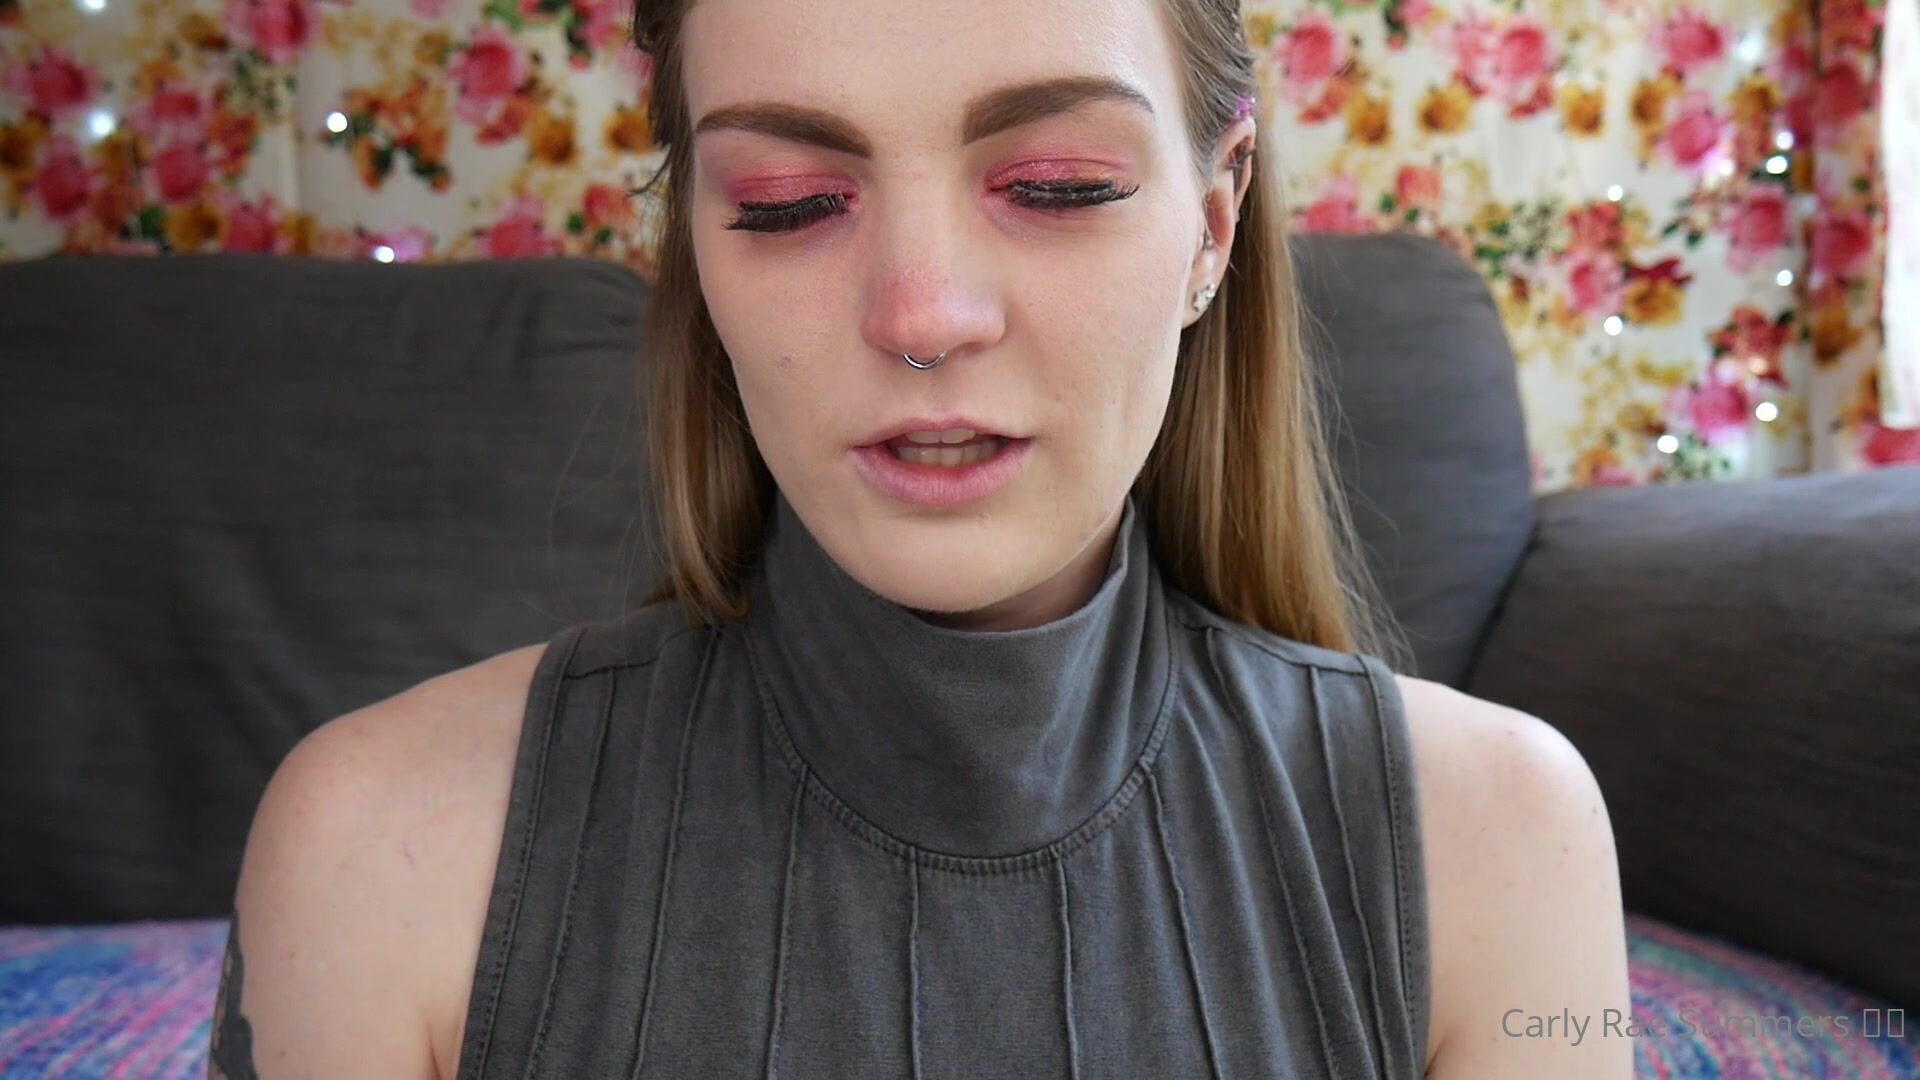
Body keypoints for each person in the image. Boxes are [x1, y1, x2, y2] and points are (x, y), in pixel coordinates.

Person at [208, 0, 1633, 1075]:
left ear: (1212, 223)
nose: (921, 314)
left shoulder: (1504, 842)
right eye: (789, 204)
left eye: (1057, 186)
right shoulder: (373, 851)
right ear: (696, 241)